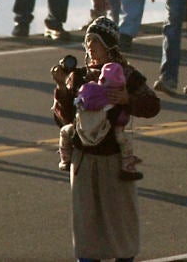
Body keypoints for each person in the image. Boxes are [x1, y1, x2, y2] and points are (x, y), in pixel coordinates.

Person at [51, 15, 161, 261]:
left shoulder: (126, 75)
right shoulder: (77, 77)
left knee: (118, 216)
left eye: (97, 41)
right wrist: (61, 89)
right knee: (85, 218)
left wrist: (127, 100)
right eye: (88, 41)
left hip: (113, 157)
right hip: (83, 158)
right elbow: (64, 119)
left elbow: (152, 105)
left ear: (109, 46)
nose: (90, 46)